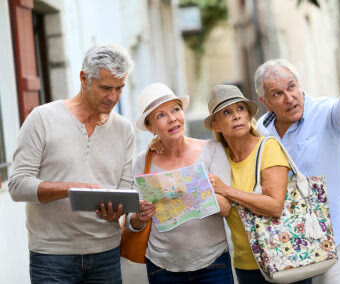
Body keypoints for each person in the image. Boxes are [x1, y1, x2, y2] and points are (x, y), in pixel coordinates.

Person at [8, 44, 135, 283]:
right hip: (52, 257)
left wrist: (117, 209)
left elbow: (125, 189)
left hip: (106, 253)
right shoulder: (43, 118)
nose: (113, 97)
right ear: (84, 78)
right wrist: (70, 189)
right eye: (105, 87)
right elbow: (17, 185)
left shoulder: (123, 129)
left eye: (120, 88)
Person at [254, 55, 340, 284]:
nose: (289, 98)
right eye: (277, 94)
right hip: (289, 241)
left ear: (299, 85)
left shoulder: (324, 113)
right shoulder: (261, 131)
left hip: (335, 234)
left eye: (291, 87)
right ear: (265, 102)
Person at [125, 83, 234, 284]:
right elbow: (132, 221)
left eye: (176, 109)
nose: (172, 118)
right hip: (162, 266)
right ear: (150, 127)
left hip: (213, 263)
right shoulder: (143, 160)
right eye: (161, 115)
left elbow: (227, 207)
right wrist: (140, 217)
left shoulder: (212, 149)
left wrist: (194, 189)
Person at [205, 85, 311, 284]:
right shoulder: (217, 157)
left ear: (248, 115)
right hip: (246, 266)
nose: (236, 116)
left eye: (240, 109)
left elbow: (275, 206)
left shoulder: (267, 147)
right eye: (227, 112)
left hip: (285, 256)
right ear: (216, 125)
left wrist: (227, 190)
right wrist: (157, 144)